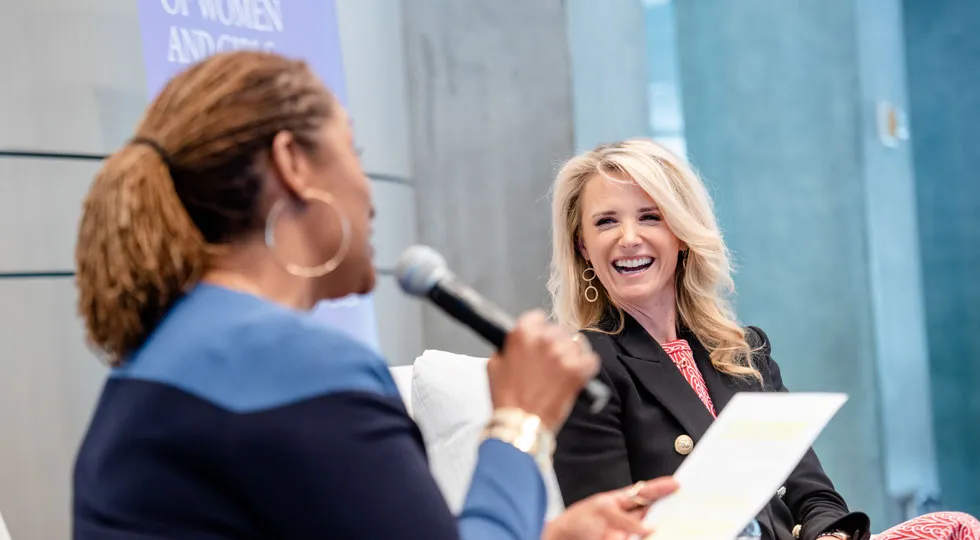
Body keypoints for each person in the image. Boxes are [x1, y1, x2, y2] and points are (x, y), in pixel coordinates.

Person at [71, 52, 678, 540]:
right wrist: (519, 421)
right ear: (294, 165)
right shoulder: (296, 365)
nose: (370, 194)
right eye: (353, 152)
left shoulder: (178, 346)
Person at [546, 138, 980, 540]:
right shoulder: (584, 365)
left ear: (680, 233)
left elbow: (815, 495)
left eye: (650, 216)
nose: (629, 238)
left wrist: (829, 535)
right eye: (606, 222)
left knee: (957, 527)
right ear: (583, 246)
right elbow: (604, 532)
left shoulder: (743, 352)